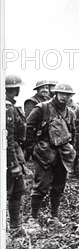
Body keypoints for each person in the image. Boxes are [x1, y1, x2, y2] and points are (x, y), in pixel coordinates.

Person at [24, 83, 77, 228]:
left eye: (67, 95)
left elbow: (73, 133)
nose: (64, 97)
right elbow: (28, 128)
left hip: (63, 154)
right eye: (61, 93)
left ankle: (53, 217)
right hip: (44, 152)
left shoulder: (70, 113)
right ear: (55, 93)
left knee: (59, 186)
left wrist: (73, 152)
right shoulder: (42, 108)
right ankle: (33, 218)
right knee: (41, 185)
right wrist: (33, 147)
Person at [6, 74, 26, 234]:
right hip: (9, 158)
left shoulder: (10, 107)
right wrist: (14, 165)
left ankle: (14, 226)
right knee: (16, 190)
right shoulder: (7, 109)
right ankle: (14, 227)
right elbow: (8, 140)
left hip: (12, 155)